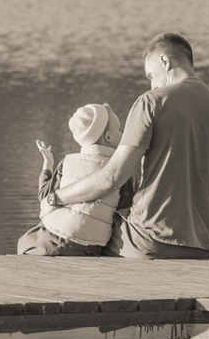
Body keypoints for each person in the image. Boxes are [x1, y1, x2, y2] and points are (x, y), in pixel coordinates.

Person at [41, 32, 209, 259]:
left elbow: (112, 177)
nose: (152, 83)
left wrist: (55, 198)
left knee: (86, 231)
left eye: (150, 75)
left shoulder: (152, 102)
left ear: (164, 61)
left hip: (152, 240)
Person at [16, 101, 129, 257]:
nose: (123, 133)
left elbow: (44, 195)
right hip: (92, 245)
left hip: (54, 236)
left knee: (25, 242)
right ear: (108, 137)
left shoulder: (68, 162)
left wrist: (48, 164)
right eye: (119, 129)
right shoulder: (121, 171)